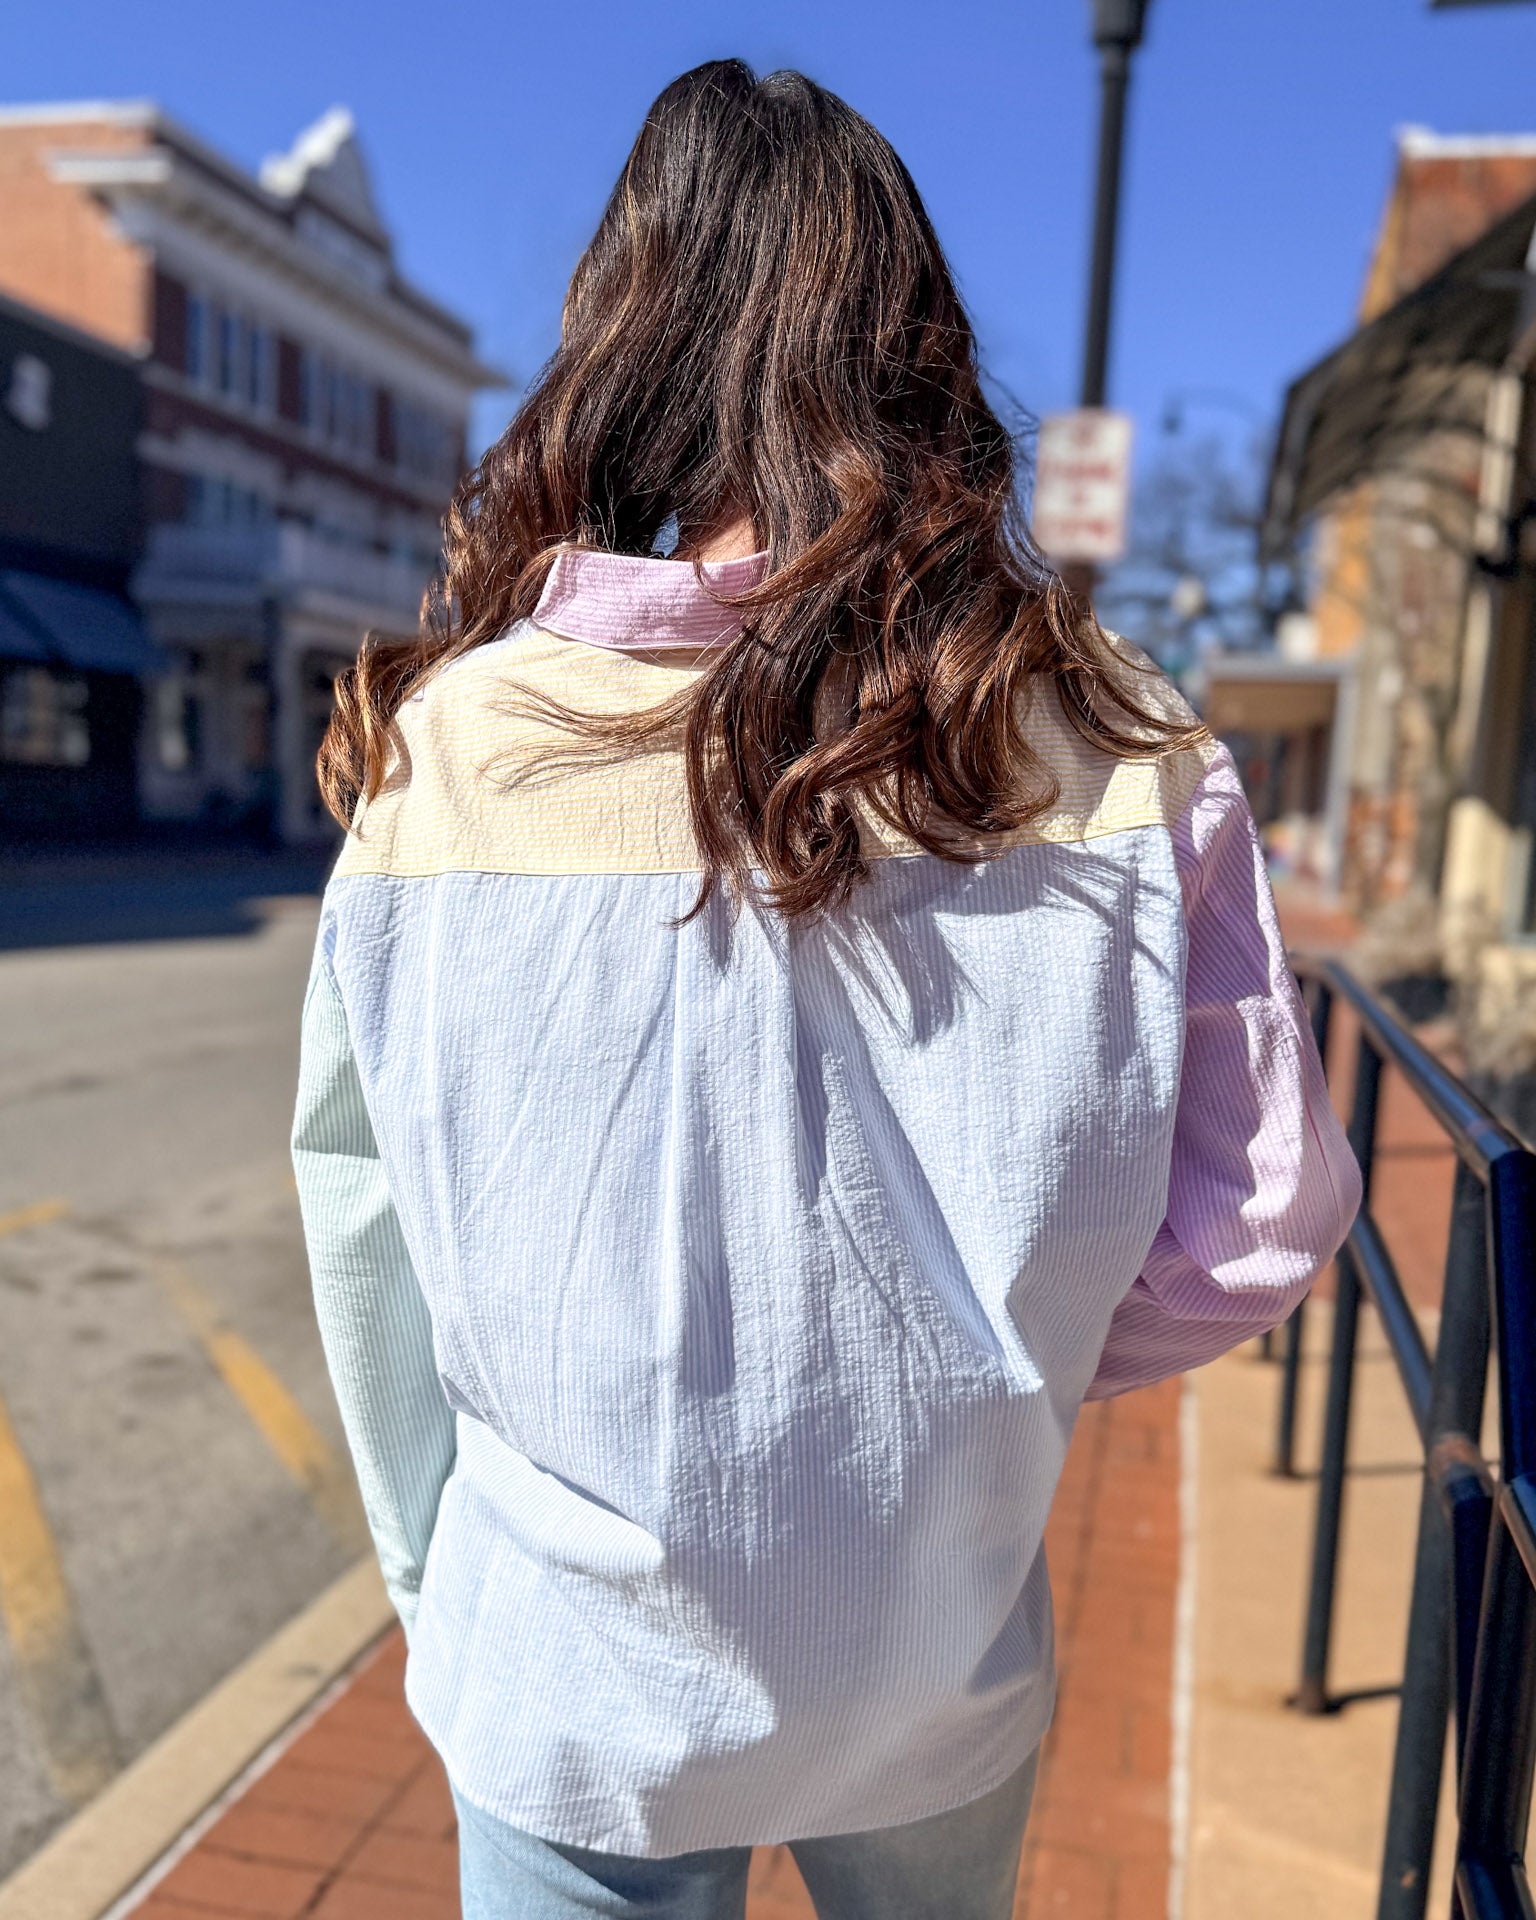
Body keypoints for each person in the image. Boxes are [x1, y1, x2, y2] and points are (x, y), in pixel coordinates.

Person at [292, 59, 1358, 1920]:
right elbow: (1263, 1213)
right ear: (923, 351)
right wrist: (979, 1381)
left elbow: (369, 1214)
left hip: (576, 1664)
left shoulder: (448, 750)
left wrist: (428, 1570)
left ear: (617, 342)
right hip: (937, 1640)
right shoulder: (1111, 735)